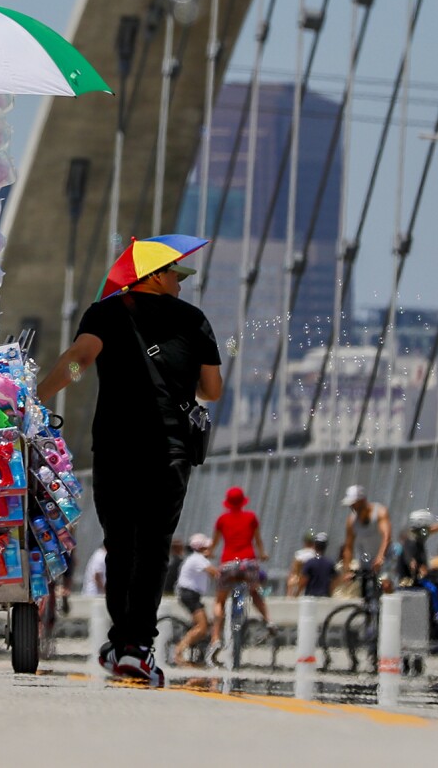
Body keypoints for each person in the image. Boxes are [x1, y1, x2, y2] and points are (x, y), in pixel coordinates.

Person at [40, 249, 222, 687]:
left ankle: (123, 644)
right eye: (175, 274)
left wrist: (35, 397)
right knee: (155, 547)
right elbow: (211, 390)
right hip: (170, 452)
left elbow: (80, 360)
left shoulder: (105, 313)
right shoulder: (195, 319)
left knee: (120, 544)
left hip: (117, 448)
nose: (180, 282)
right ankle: (137, 647)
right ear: (155, 275)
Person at [209, 486, 269, 647]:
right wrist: (262, 554)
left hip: (228, 564)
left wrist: (209, 552)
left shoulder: (222, 520)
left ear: (227, 503)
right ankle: (268, 621)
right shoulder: (251, 517)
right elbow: (258, 541)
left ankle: (215, 637)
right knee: (254, 593)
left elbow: (214, 543)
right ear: (243, 502)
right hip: (248, 563)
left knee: (219, 601)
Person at [173, 534, 216, 663]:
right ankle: (178, 651)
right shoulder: (198, 559)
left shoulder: (196, 558)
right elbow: (215, 573)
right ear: (202, 548)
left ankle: (200, 651)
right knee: (202, 627)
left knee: (204, 624)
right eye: (208, 547)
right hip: (189, 595)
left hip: (191, 594)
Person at [341, 486, 394, 584]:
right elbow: (348, 547)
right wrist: (347, 570)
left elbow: (386, 536)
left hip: (385, 557)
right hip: (366, 562)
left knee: (386, 584)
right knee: (366, 591)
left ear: (363, 500)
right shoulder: (351, 521)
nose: (352, 507)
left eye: (354, 504)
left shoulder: (380, 512)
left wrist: (381, 557)